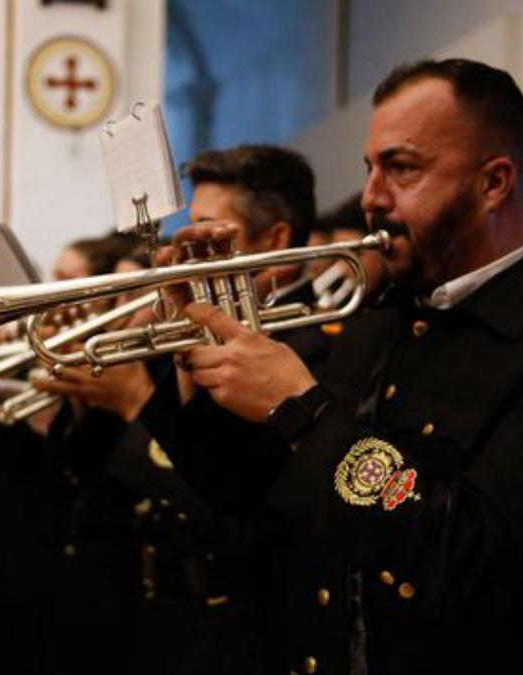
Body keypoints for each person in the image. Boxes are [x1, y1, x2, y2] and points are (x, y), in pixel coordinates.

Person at [140, 58, 523, 673]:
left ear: (494, 183)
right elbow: (260, 501)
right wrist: (197, 357)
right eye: (370, 168)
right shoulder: (381, 317)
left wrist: (304, 412)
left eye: (402, 168)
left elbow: (480, 562)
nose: (371, 197)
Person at [35, 145, 340, 675]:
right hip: (156, 597)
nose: (187, 250)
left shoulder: (323, 345)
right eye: (189, 232)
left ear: (276, 241)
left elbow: (244, 511)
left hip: (245, 623)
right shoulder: (190, 318)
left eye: (210, 233)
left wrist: (134, 403)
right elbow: (95, 470)